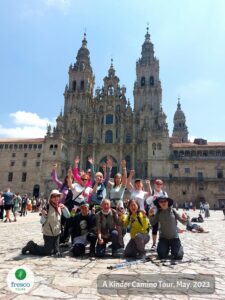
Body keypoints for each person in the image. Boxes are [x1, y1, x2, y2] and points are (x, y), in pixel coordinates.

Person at [22, 190, 70, 256]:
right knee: (48, 252)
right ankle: (31, 246)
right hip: (48, 233)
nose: (56, 198)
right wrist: (44, 215)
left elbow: (68, 216)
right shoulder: (47, 207)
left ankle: (52, 249)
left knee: (56, 251)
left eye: (58, 196)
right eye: (54, 196)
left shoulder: (60, 207)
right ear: (51, 197)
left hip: (57, 233)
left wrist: (64, 208)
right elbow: (41, 221)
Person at [149, 196, 187, 260]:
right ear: (159, 203)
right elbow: (152, 223)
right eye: (161, 201)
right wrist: (150, 215)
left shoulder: (173, 211)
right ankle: (166, 248)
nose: (163, 202)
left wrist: (185, 218)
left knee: (179, 256)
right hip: (163, 239)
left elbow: (184, 223)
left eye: (165, 201)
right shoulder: (158, 212)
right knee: (161, 255)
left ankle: (175, 248)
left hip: (174, 238)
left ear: (168, 202)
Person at [145, 178, 168, 251]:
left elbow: (167, 203)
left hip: (162, 213)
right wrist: (153, 197)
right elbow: (147, 202)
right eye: (157, 184)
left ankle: (162, 243)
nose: (158, 185)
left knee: (163, 228)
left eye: (160, 184)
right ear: (154, 184)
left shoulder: (164, 193)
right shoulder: (152, 192)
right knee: (154, 228)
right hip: (154, 213)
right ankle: (154, 244)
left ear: (162, 185)